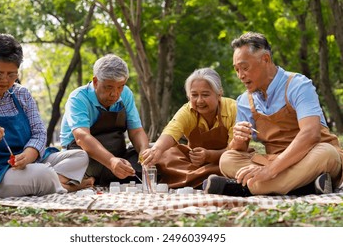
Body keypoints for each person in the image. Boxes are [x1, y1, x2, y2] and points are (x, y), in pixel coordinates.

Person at [0, 33, 92, 198]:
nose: (5, 80)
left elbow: (39, 132)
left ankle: (52, 183)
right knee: (42, 174)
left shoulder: (22, 95)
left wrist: (29, 154)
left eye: (12, 74)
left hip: (27, 164)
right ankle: (68, 186)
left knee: (80, 156)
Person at [204, 32, 343, 196]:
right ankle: (305, 186)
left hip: (312, 156)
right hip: (276, 161)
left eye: (245, 67)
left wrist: (270, 171)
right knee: (227, 159)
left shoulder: (298, 85)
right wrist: (239, 140)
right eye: (237, 70)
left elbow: (311, 134)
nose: (241, 75)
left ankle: (246, 189)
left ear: (265, 60)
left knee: (326, 153)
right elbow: (238, 150)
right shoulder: (244, 101)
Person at [60, 54, 149, 186]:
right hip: (85, 159)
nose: (115, 93)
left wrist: (144, 153)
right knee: (79, 161)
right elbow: (82, 137)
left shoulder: (126, 94)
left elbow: (136, 131)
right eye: (109, 87)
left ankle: (95, 180)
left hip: (118, 156)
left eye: (120, 87)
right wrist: (111, 161)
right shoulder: (78, 98)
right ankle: (78, 181)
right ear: (96, 82)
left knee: (157, 152)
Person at [141, 68, 237, 189]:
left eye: (205, 95)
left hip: (225, 160)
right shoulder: (187, 111)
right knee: (166, 154)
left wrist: (209, 155)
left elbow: (235, 149)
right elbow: (171, 131)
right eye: (194, 95)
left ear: (219, 94)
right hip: (195, 163)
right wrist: (156, 150)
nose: (199, 100)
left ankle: (198, 179)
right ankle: (215, 180)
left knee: (235, 161)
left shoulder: (234, 108)